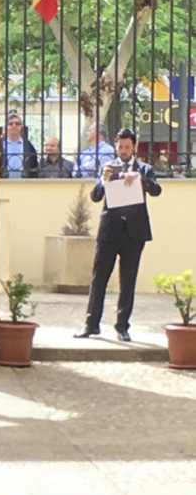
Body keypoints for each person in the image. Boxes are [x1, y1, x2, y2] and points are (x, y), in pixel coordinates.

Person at [74, 128, 161, 343]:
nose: (123, 150)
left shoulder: (144, 168)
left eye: (127, 147)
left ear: (134, 148)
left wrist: (139, 178)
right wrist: (103, 181)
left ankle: (123, 326)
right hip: (109, 232)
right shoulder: (108, 168)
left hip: (134, 234)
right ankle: (91, 324)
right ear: (116, 146)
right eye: (120, 147)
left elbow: (157, 190)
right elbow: (95, 196)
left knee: (128, 281)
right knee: (99, 279)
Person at [0, 111, 38, 179]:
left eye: (17, 124)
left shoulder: (28, 145)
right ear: (6, 127)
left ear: (21, 127)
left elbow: (34, 166)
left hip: (23, 185)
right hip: (3, 184)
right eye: (11, 124)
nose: (14, 126)